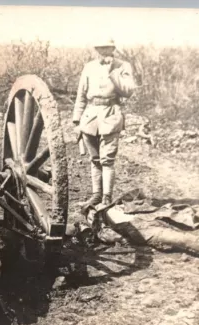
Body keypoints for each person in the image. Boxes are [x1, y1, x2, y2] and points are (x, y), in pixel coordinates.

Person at [72, 38, 137, 211]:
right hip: (90, 115)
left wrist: (112, 73)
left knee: (107, 160)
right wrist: (77, 120)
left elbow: (128, 91)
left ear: (113, 48)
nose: (103, 51)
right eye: (100, 48)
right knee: (94, 159)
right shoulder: (89, 67)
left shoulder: (123, 66)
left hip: (111, 114)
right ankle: (96, 195)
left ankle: (107, 198)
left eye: (107, 48)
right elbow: (81, 95)